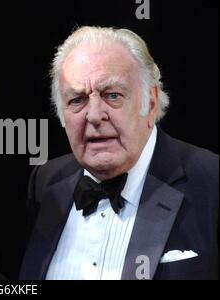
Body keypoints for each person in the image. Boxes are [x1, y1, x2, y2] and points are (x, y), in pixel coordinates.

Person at [20, 26, 218, 280]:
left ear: (151, 101)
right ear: (61, 116)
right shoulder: (46, 184)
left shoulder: (211, 182)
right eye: (77, 100)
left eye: (112, 95)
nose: (94, 116)